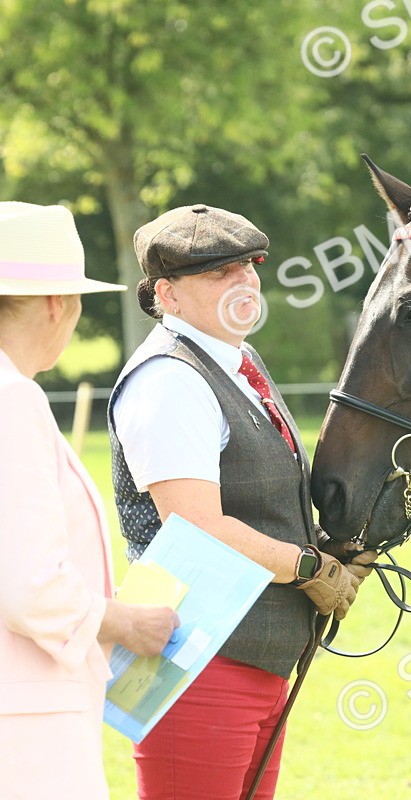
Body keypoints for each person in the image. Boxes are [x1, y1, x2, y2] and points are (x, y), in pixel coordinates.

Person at [108, 204, 373, 799]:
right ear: (167, 295)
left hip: (251, 658)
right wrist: (309, 568)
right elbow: (196, 526)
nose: (245, 279)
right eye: (218, 271)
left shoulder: (238, 361)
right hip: (193, 659)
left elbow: (259, 495)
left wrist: (335, 545)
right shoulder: (169, 379)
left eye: (249, 264)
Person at [0, 202, 179, 799]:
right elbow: (27, 583)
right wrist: (124, 621)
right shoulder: (11, 400)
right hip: (23, 723)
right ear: (58, 303)